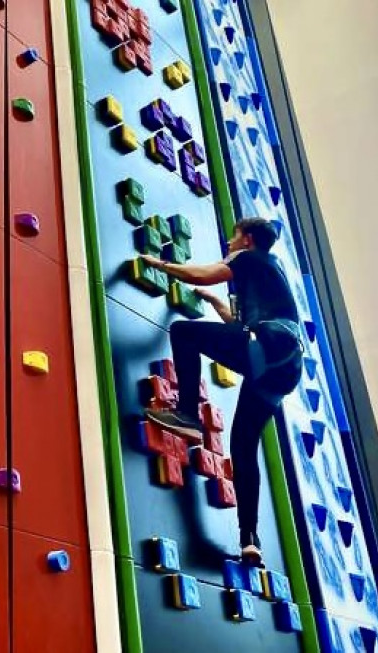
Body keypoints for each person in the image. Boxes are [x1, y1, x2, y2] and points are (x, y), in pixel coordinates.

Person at [139, 217, 303, 567]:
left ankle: (187, 415)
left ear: (246, 238)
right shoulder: (269, 274)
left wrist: (162, 265)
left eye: (233, 236)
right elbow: (243, 330)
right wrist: (216, 304)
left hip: (265, 349)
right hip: (282, 369)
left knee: (183, 332)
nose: (229, 242)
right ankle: (250, 539)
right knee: (243, 448)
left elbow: (202, 273)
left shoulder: (246, 258)